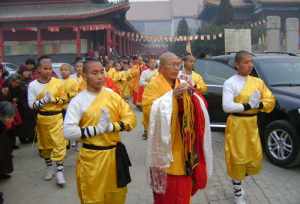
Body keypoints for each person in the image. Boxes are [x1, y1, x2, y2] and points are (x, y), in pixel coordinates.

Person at [142, 52, 213, 204]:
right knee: (166, 195)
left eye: (178, 65)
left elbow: (200, 105)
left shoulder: (182, 82)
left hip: (184, 144)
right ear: (161, 68)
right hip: (164, 148)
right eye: (172, 65)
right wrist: (171, 98)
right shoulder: (153, 86)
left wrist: (191, 96)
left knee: (183, 192)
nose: (176, 68)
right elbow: (150, 113)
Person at [64, 58, 136, 204]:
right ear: (84, 76)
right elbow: (68, 132)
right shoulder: (78, 101)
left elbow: (131, 118)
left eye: (102, 72)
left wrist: (111, 127)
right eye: (94, 73)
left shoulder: (112, 95)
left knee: (116, 196)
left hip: (114, 156)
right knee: (93, 198)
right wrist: (96, 130)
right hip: (92, 158)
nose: (100, 76)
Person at [222, 51, 275, 204]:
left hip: (252, 124)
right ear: (237, 64)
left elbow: (270, 99)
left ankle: (240, 181)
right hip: (237, 124)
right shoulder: (230, 82)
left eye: (251, 61)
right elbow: (227, 106)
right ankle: (237, 191)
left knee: (252, 156)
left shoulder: (258, 82)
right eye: (246, 62)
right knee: (237, 158)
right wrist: (247, 105)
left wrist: (258, 105)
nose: (250, 65)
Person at [27, 55, 67, 187]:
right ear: (38, 69)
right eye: (45, 68)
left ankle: (60, 171)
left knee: (59, 144)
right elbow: (31, 105)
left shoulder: (58, 83)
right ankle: (49, 167)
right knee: (45, 147)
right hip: (42, 119)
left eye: (50, 68)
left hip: (57, 118)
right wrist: (44, 100)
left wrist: (53, 100)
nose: (48, 71)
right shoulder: (33, 85)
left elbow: (64, 100)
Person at [139, 58, 158, 140]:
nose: (153, 64)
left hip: (157, 95)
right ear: (148, 64)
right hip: (147, 96)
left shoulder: (159, 72)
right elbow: (141, 82)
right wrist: (150, 83)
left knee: (156, 114)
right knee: (146, 115)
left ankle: (156, 132)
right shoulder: (144, 72)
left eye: (154, 62)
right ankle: (146, 131)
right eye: (151, 62)